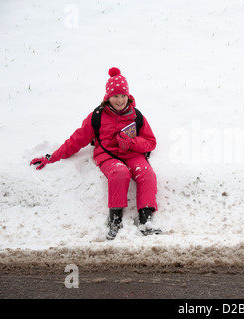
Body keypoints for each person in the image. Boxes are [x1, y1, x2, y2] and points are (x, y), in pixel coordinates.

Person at [30, 67, 161, 240]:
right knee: (120, 173)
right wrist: (52, 157)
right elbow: (76, 140)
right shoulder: (97, 116)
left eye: (123, 96)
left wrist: (131, 142)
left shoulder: (136, 116)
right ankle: (115, 219)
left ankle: (146, 219)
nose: (120, 100)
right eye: (115, 96)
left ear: (128, 96)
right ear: (108, 97)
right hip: (108, 155)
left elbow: (151, 142)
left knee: (146, 173)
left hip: (132, 153)